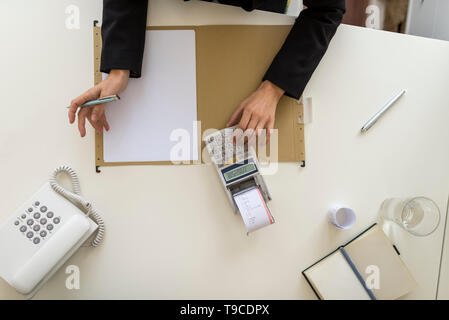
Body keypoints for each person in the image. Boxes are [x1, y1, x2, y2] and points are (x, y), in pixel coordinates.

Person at [68, 0, 345, 139]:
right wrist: (119, 68)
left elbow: (327, 9)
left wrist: (273, 89)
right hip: (172, 17)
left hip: (254, 24)